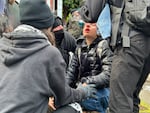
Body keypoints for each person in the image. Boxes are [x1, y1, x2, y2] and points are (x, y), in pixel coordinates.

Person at [0, 0, 97, 113]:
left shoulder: (2, 46)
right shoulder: (49, 53)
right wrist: (84, 91)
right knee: (74, 107)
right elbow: (63, 97)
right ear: (47, 26)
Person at [80, 0, 150, 113]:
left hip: (128, 42)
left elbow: (91, 13)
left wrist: (83, 10)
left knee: (119, 101)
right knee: (131, 98)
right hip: (145, 40)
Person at [66, 21, 113, 113]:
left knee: (83, 97)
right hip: (83, 88)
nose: (87, 26)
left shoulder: (104, 46)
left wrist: (87, 82)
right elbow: (71, 73)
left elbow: (108, 74)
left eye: (93, 24)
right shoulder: (79, 48)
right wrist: (62, 89)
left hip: (101, 90)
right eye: (86, 24)